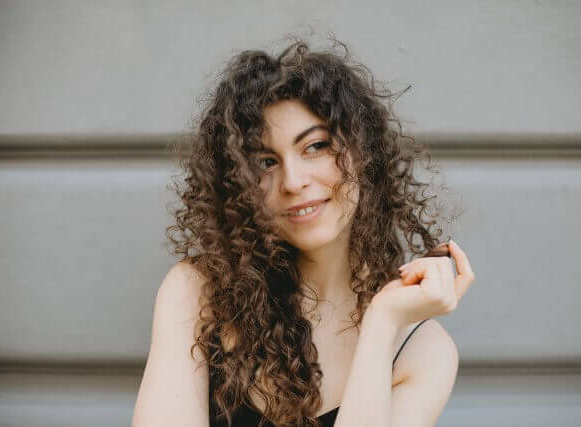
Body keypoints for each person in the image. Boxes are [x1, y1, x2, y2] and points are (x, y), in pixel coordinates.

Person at [132, 35, 475, 427]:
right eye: (266, 162)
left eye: (315, 146)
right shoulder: (197, 294)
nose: (293, 181)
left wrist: (380, 326)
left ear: (363, 152)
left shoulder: (423, 351)